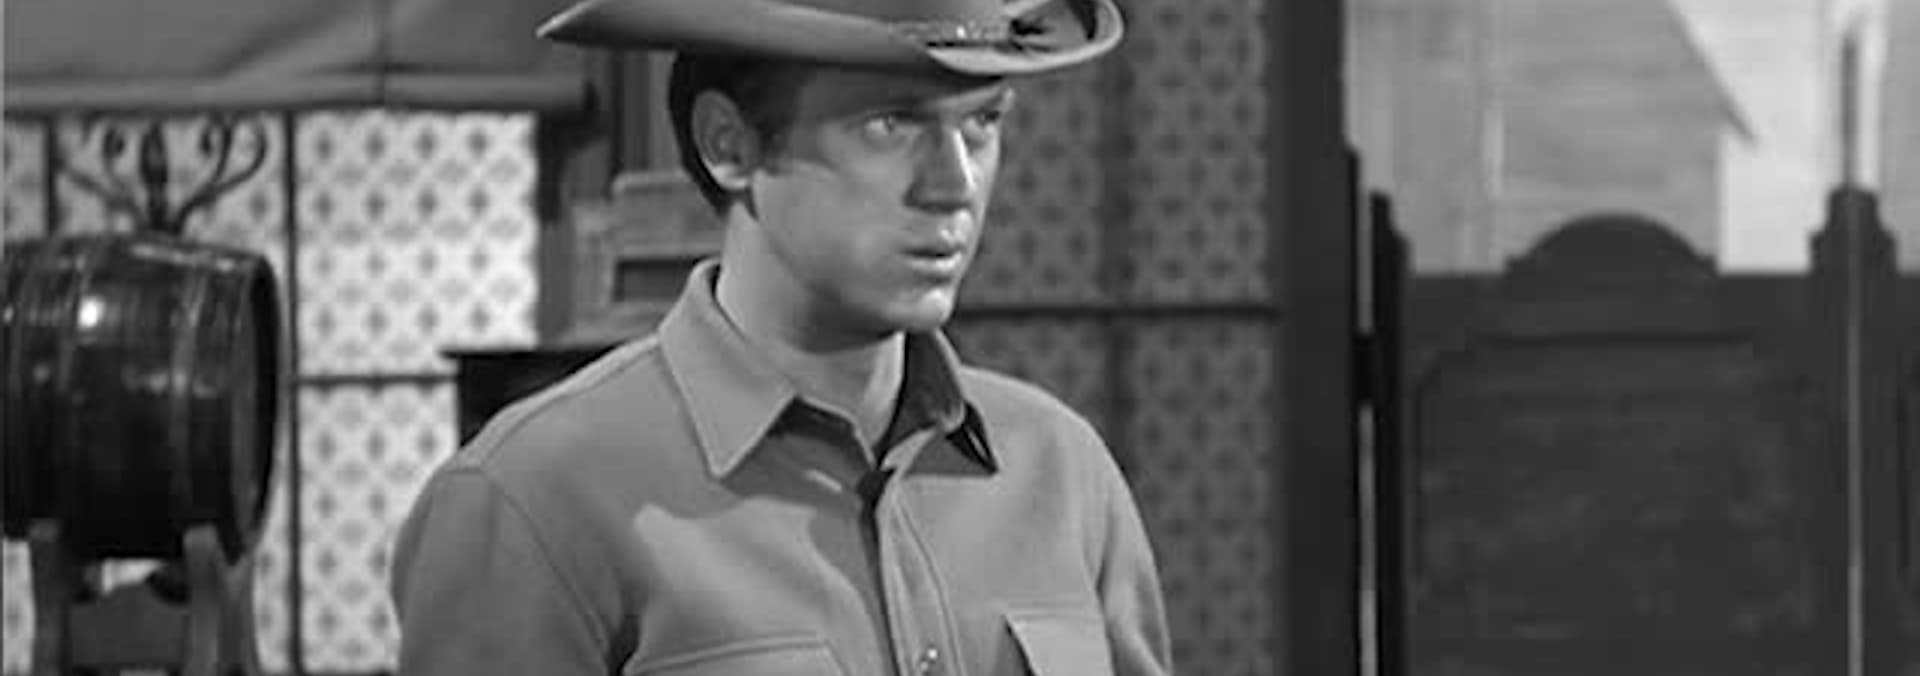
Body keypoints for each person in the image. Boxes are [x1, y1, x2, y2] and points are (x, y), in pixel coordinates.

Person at [387, 0, 1170, 673]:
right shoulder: (538, 499)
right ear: (728, 145)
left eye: (983, 122)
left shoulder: (1061, 472)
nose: (954, 184)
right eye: (891, 124)